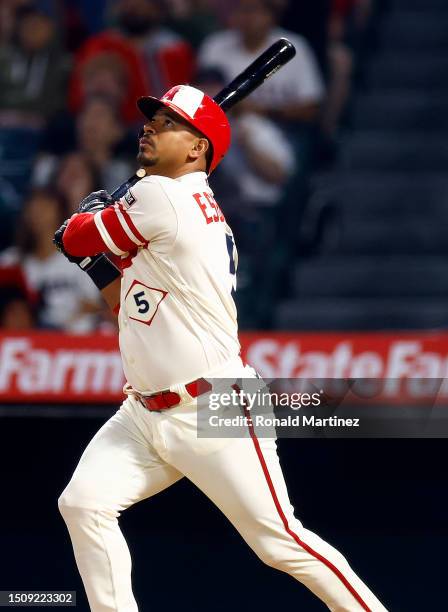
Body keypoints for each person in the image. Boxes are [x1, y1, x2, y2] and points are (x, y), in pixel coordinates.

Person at [55, 84, 387, 611]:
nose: (149, 126)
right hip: (144, 412)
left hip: (215, 404)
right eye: (154, 118)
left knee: (282, 544)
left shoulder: (163, 195)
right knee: (84, 503)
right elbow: (134, 306)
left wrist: (82, 224)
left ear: (196, 149)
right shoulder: (169, 204)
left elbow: (75, 239)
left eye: (167, 122)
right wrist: (96, 249)